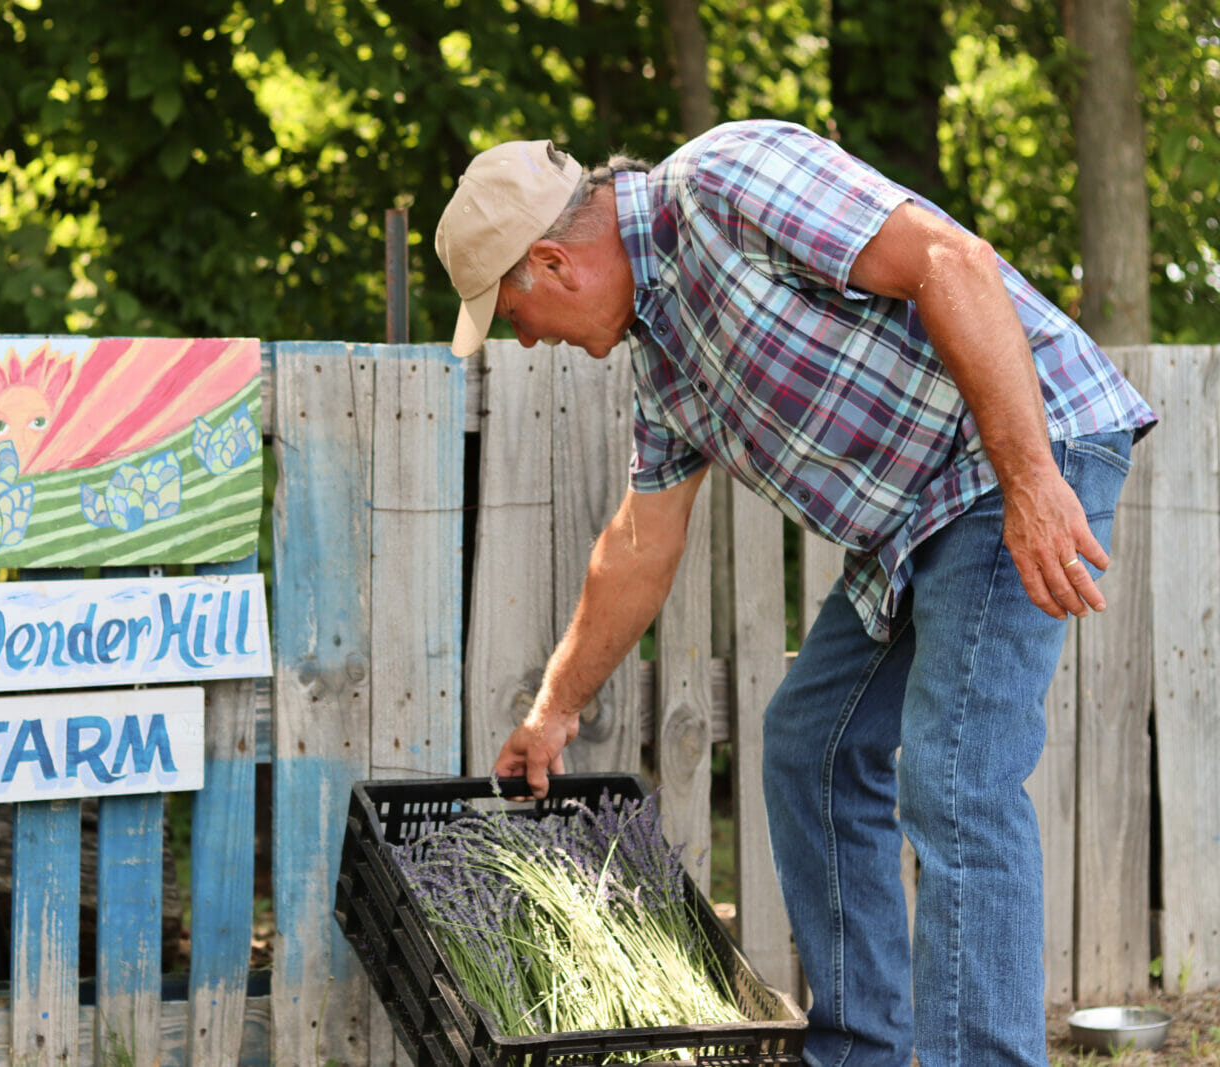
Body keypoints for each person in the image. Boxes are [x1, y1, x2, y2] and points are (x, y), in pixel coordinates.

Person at [432, 122, 1156, 1067]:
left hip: (1018, 449)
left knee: (955, 777)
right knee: (809, 744)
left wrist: (1027, 482)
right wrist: (553, 710)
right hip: (914, 523)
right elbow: (640, 542)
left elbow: (954, 260)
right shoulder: (666, 360)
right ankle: (860, 1054)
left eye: (515, 314)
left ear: (553, 261)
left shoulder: (727, 183)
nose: (528, 339)